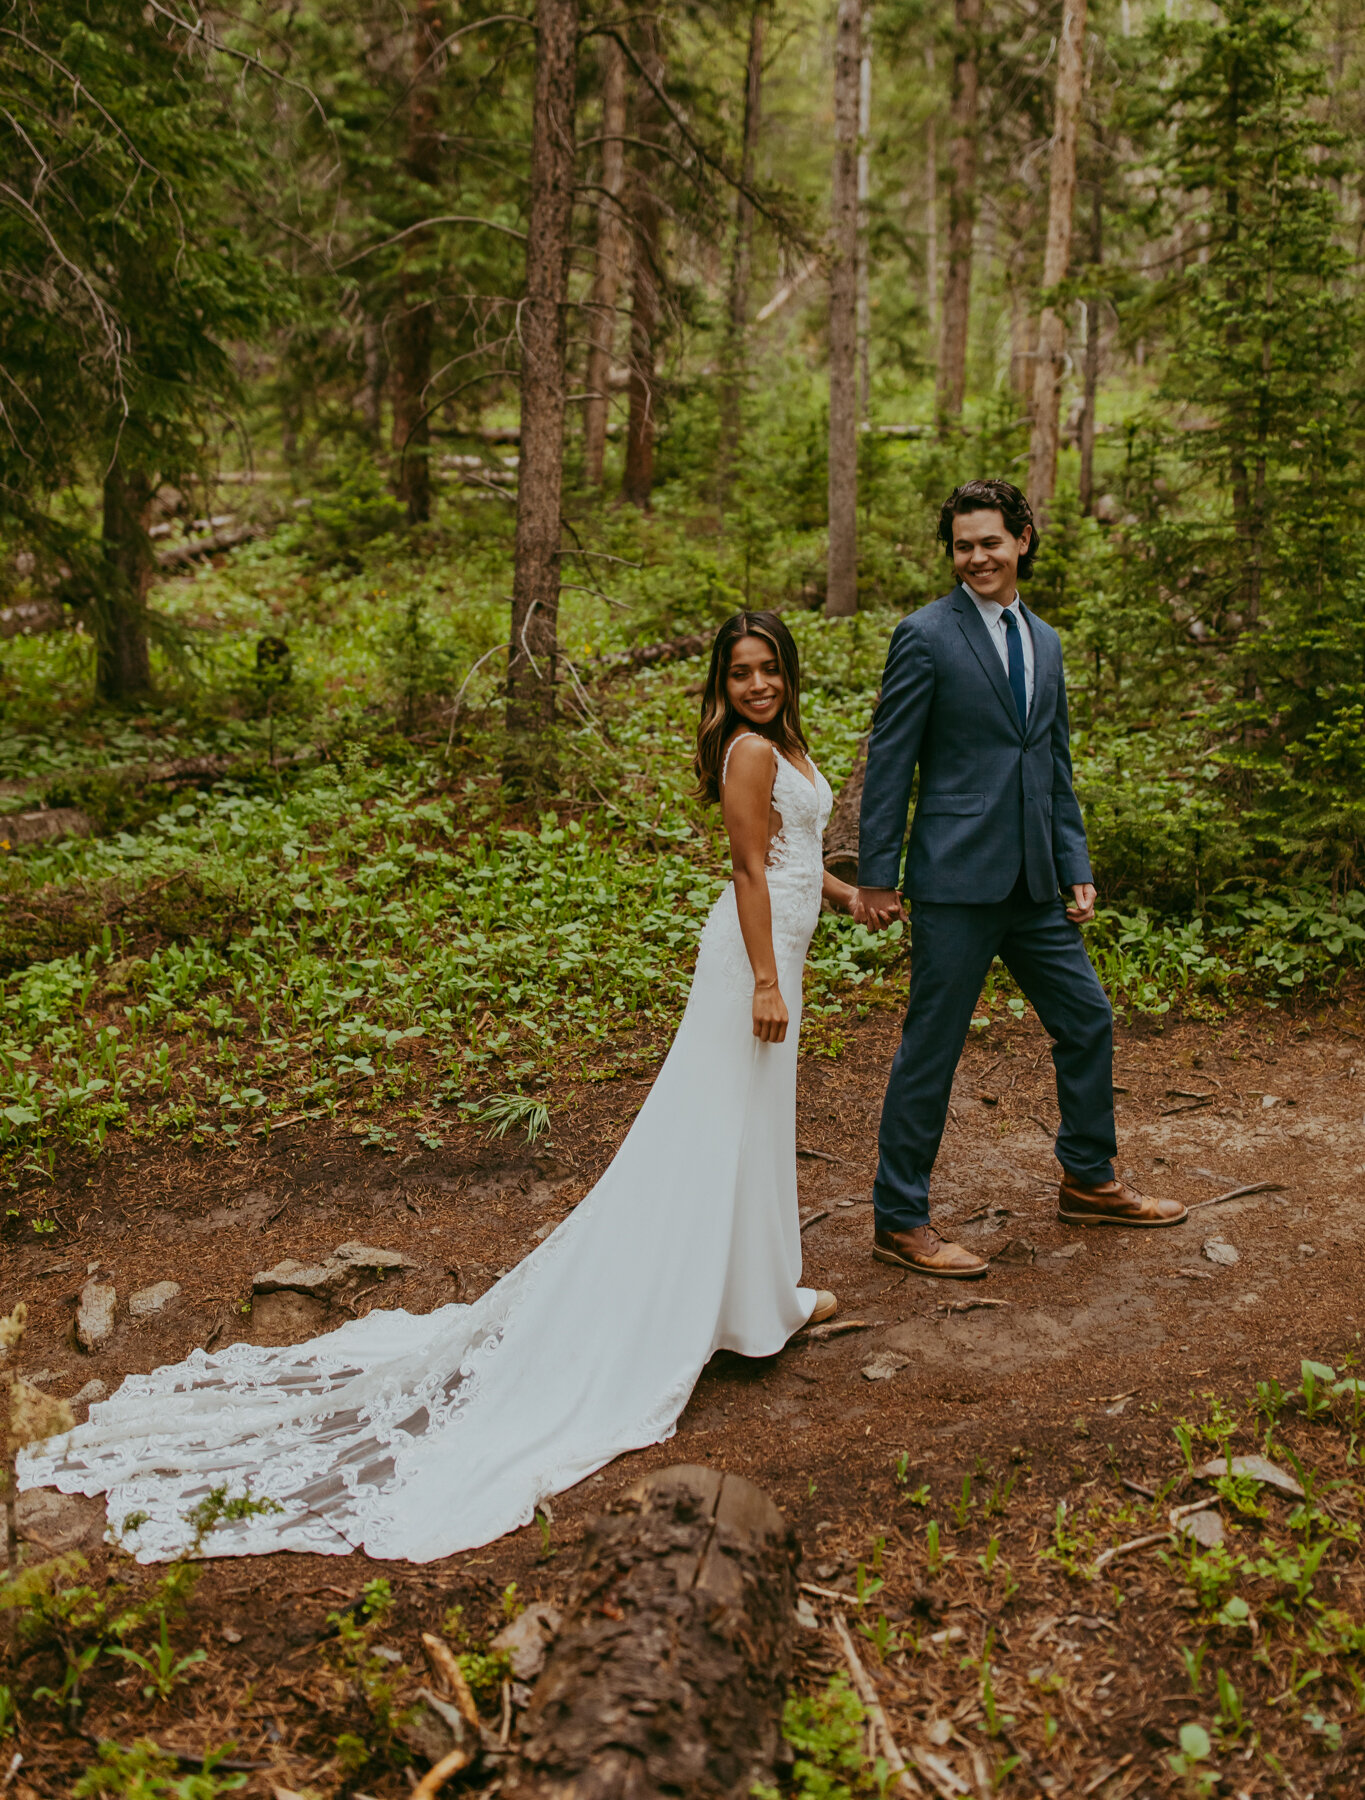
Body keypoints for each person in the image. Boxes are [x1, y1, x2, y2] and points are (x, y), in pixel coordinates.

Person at [20, 611, 854, 1564]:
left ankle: (756, 1299)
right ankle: (718, 1303)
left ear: (787, 672)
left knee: (749, 1128)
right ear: (723, 682)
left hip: (780, 945)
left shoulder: (786, 742)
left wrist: (842, 896)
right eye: (741, 673)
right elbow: (747, 869)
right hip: (750, 962)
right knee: (710, 1130)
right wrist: (762, 976)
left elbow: (791, 859)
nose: (757, 685)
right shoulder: (748, 753)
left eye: (769, 669)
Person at [852, 480, 1186, 1280]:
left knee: (1088, 1019)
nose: (976, 559)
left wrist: (1074, 864)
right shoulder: (923, 636)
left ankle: (1088, 1178)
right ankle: (899, 1220)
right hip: (954, 884)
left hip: (1035, 885)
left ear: (1023, 540)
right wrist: (876, 876)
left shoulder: (1046, 640)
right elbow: (890, 760)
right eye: (962, 546)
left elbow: (1054, 762)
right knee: (929, 1052)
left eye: (989, 542)